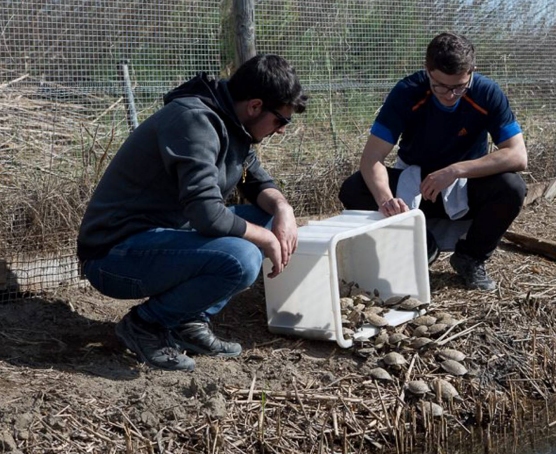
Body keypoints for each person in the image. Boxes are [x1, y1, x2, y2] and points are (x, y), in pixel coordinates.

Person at [77, 54, 308, 371]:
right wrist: (264, 238)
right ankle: (146, 325)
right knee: (243, 257)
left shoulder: (233, 123)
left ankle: (187, 322)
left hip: (163, 240)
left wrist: (283, 209)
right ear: (255, 106)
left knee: (268, 220)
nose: (280, 130)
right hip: (114, 255)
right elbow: (207, 214)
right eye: (280, 121)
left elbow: (257, 182)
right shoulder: (193, 120)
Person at [338, 32, 527, 291]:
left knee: (512, 187)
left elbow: (517, 155)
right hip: (416, 188)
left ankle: (470, 258)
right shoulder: (407, 92)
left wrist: (456, 170)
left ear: (472, 71)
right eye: (440, 86)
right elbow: (372, 157)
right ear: (428, 71)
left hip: (465, 183)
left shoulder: (487, 93)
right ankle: (418, 244)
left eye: (459, 86)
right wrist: (386, 200)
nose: (450, 95)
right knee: (354, 187)